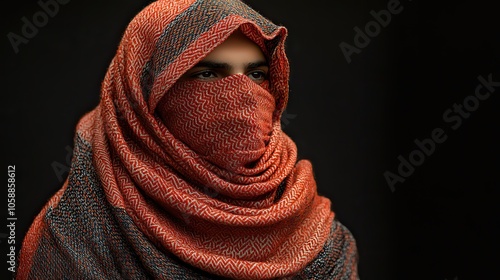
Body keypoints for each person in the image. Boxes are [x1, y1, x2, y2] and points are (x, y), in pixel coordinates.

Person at [16, 0, 359, 279]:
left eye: (256, 74)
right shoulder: (75, 235)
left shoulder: (317, 235)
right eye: (208, 73)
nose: (241, 95)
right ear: (144, 96)